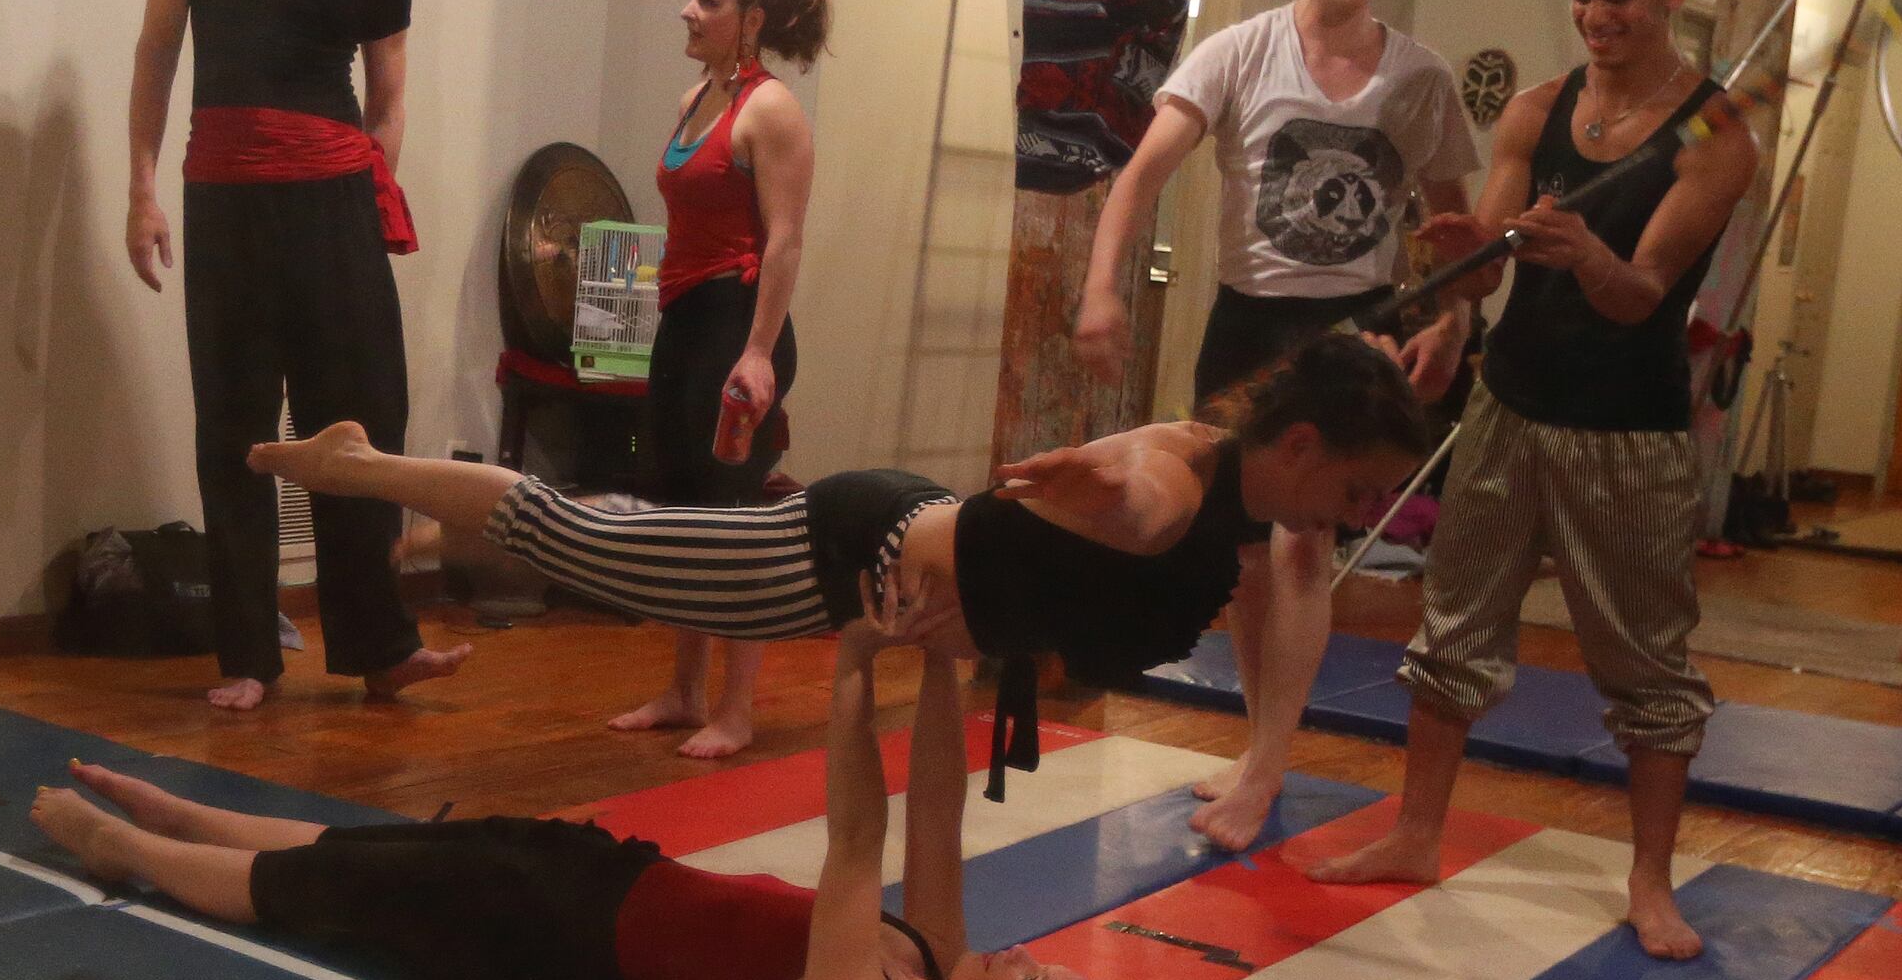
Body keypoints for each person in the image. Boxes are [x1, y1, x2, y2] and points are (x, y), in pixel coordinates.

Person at [27, 596, 1249, 980]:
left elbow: (854, 844)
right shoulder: (934, 957)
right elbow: (933, 811)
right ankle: (181, 810)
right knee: (361, 852)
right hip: (598, 872)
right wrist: (940, 659)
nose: (1023, 956)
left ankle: (126, 849)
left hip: (544, 934)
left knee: (315, 894)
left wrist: (850, 660)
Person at [253, 333, 1433, 805]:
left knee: (607, 529)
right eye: (1356, 490)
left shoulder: (1271, 517)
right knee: (578, 540)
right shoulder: (1180, 477)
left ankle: (401, 492)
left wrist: (1263, 767)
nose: (1360, 519)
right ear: (1298, 446)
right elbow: (1142, 492)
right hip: (840, 559)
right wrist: (1102, 485)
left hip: (889, 551)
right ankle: (358, 466)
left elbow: (1299, 599)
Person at [1311, 0, 1760, 959]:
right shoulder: (1536, 109)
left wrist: (1587, 253)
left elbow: (1641, 294)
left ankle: (1650, 881)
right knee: (1452, 631)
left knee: (1648, 667)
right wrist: (1461, 259)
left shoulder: (1716, 135)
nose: (1597, 16)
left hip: (1628, 431)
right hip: (1509, 405)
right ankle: (1416, 833)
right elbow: (1486, 263)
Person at [1075, 0, 1476, 849]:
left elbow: (1454, 223)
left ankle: (1264, 767)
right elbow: (1140, 175)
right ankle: (1263, 747)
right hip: (1250, 323)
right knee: (1248, 556)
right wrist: (1099, 289)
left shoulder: (1419, 76)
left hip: (1356, 327)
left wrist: (1452, 321)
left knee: (1306, 545)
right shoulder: (1239, 52)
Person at [125, 0, 468, 713]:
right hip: (226, 197)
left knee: (361, 420)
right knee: (235, 425)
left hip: (331, 203)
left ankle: (379, 647)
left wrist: (362, 197)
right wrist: (141, 190)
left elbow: (389, 101)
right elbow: (157, 50)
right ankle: (248, 658)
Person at [612, 0, 831, 762]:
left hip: (739, 328)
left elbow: (785, 241)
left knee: (733, 526)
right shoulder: (694, 97)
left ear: (753, 20)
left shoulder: (771, 110)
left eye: (708, 1)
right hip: (684, 323)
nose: (688, 12)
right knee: (684, 518)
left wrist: (759, 353)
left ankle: (737, 711)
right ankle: (684, 690)